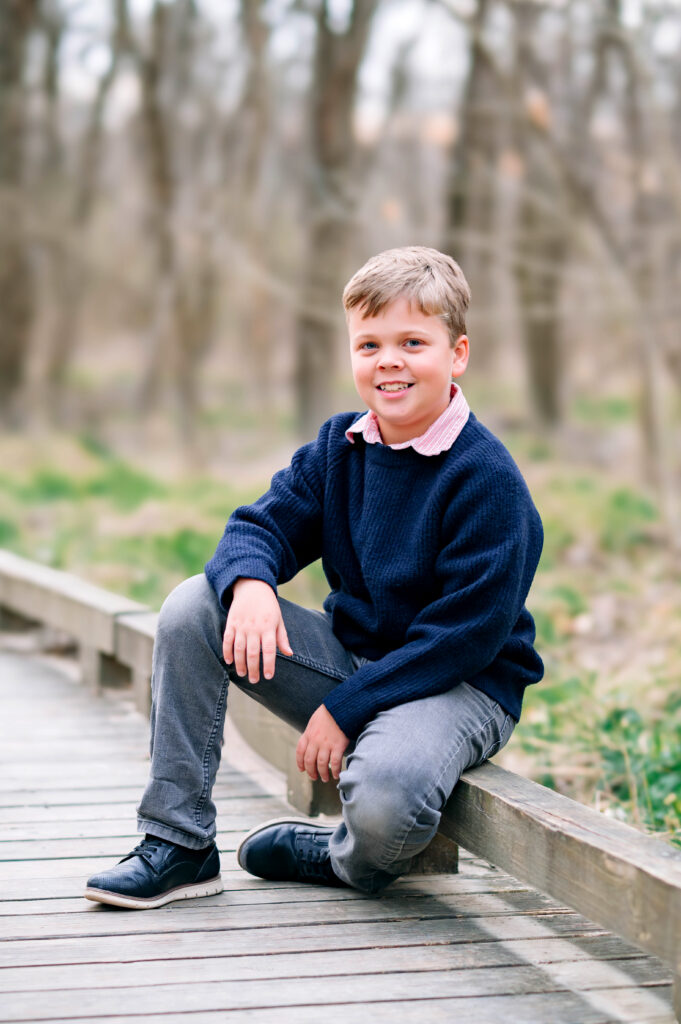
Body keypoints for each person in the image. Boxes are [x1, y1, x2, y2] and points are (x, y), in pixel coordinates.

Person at [84, 246, 544, 909]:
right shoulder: (341, 447)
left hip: (458, 683)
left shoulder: (485, 480)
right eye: (369, 344)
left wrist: (344, 708)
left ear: (457, 354)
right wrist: (249, 585)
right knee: (195, 604)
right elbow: (257, 527)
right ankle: (178, 844)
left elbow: (461, 639)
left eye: (412, 341)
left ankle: (342, 858)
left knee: (387, 801)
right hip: (358, 662)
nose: (388, 360)